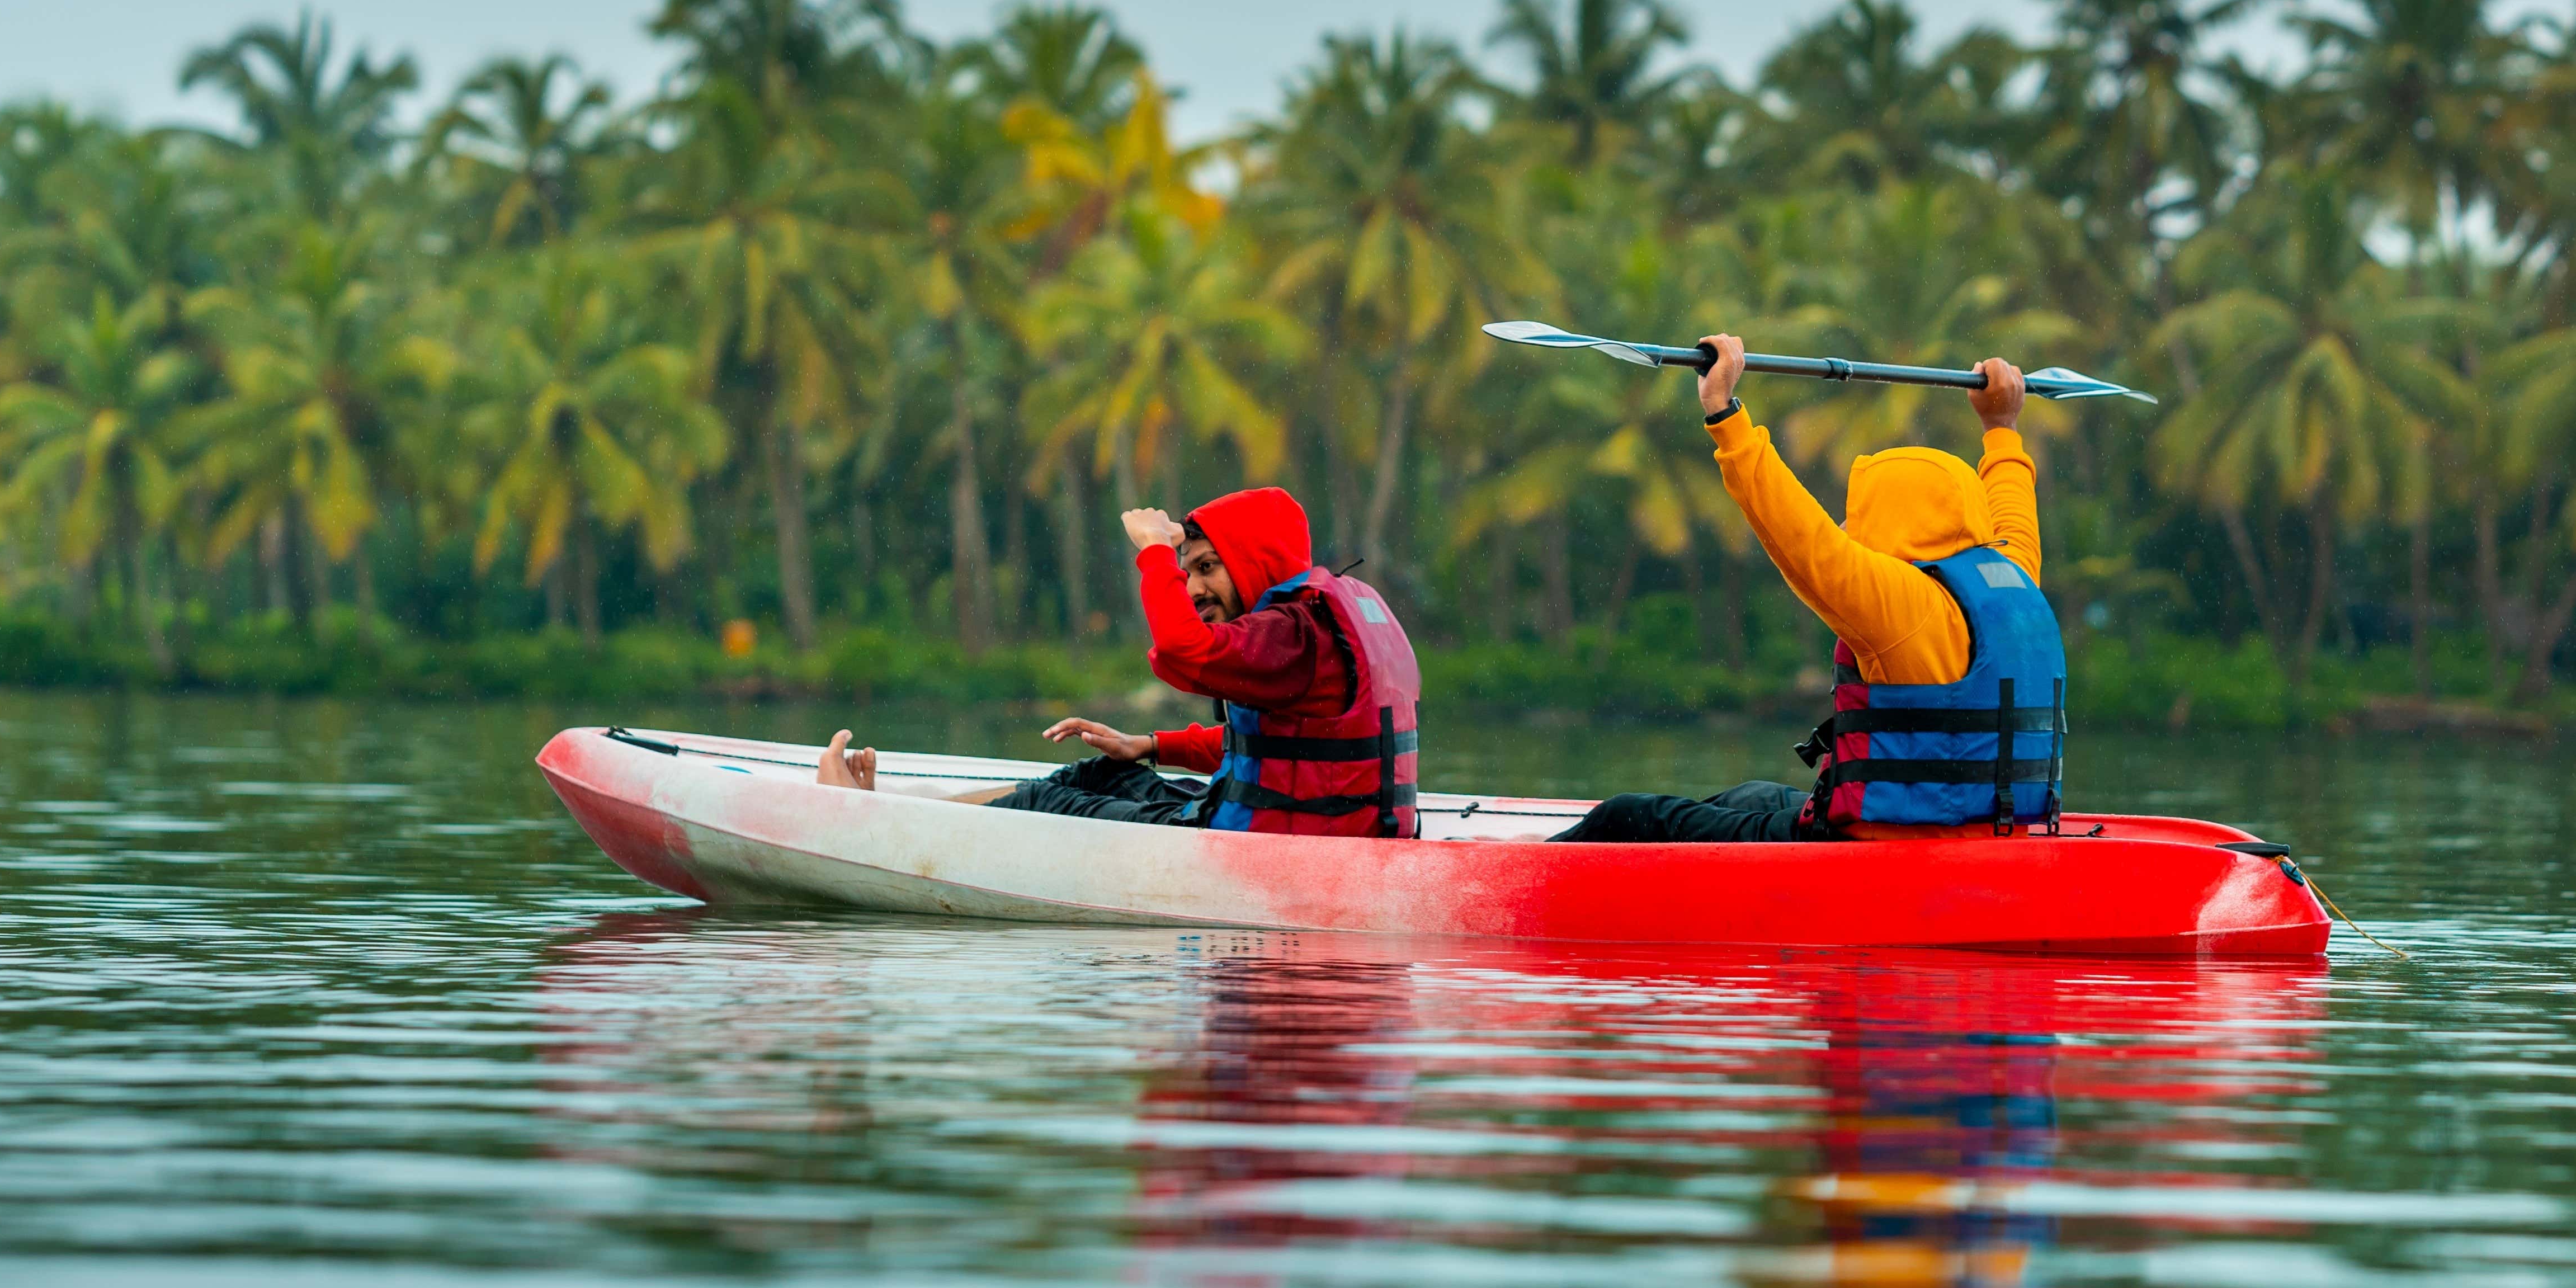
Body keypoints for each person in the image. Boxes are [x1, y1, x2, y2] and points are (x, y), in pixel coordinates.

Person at [1549, 333, 2062, 843]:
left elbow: (1801, 537)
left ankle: (1512, 885)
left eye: (1858, 514)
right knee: (1753, 797)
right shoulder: (2011, 576)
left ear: (1894, 521)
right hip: (1981, 829)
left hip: (1883, 850)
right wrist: (2002, 428)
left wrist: (1724, 413)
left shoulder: (1902, 603)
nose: (1845, 527)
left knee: (1626, 816)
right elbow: (2014, 506)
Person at [816, 486, 1423, 838]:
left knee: (1046, 803)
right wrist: (1151, 745)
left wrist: (1156, 554)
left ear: (1257, 562)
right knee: (1096, 776)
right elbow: (1284, 749)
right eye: (1186, 571)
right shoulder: (1304, 628)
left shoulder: (1287, 632)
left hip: (1266, 844)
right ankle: (899, 812)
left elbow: (1182, 652)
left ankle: (875, 828)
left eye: (1207, 567)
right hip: (1302, 827)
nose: (1191, 588)